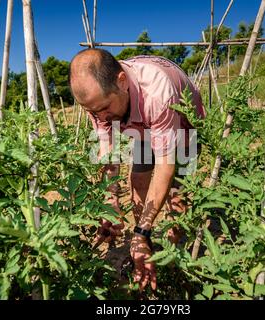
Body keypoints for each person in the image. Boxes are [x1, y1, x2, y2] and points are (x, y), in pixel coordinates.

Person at [69, 48, 204, 292]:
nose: (100, 116)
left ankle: (173, 257)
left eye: (104, 108)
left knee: (176, 194)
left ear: (121, 82)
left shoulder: (157, 92)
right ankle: (147, 243)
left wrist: (139, 233)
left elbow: (165, 166)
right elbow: (107, 155)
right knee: (138, 177)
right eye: (92, 111)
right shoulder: (97, 101)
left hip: (183, 128)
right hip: (139, 124)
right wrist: (110, 204)